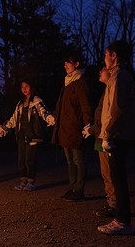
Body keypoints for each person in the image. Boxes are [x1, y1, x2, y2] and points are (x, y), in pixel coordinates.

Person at [96, 40, 135, 235]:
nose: (104, 58)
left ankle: (122, 221)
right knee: (117, 177)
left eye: (106, 54)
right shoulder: (118, 76)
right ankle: (120, 219)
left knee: (118, 179)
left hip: (117, 136)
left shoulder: (119, 77)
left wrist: (108, 135)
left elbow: (117, 110)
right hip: (117, 135)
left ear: (114, 55)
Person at [52, 51, 93, 201]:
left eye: (68, 62)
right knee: (70, 161)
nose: (65, 65)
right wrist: (54, 117)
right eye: (64, 63)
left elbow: (85, 105)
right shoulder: (67, 83)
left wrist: (87, 124)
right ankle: (72, 187)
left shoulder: (81, 83)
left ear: (76, 64)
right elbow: (61, 105)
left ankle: (79, 190)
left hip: (75, 128)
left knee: (78, 160)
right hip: (65, 128)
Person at [4, 80, 55, 192]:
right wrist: (6, 127)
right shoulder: (20, 103)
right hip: (21, 134)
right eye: (22, 87)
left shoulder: (36, 101)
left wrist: (50, 118)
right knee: (21, 159)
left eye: (27, 86)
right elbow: (14, 118)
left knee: (30, 159)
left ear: (32, 87)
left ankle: (31, 182)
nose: (24, 89)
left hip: (32, 134)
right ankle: (23, 181)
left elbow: (44, 111)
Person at [82, 67, 116, 217]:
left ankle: (114, 205)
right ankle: (112, 202)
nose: (100, 70)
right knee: (105, 172)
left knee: (109, 173)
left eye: (104, 69)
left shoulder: (111, 90)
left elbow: (107, 117)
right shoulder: (106, 90)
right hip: (100, 136)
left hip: (105, 137)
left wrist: (92, 130)